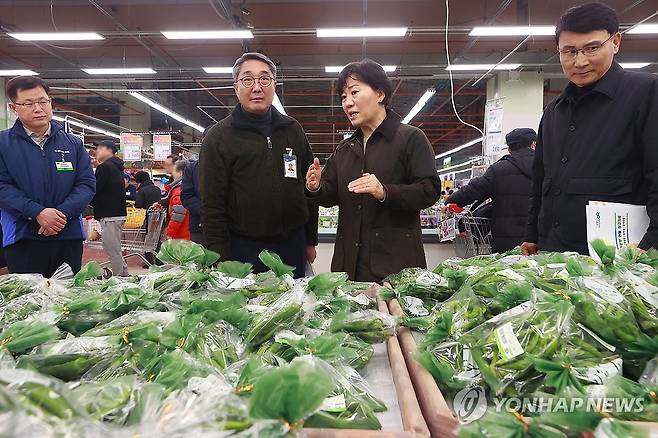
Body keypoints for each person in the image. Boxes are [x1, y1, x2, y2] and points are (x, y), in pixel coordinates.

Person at [522, 3, 658, 256]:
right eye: (569, 51)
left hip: (621, 261)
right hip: (556, 256)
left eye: (592, 48)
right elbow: (541, 181)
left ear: (615, 42)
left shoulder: (646, 94)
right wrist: (532, 235)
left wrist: (651, 244)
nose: (580, 61)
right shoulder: (554, 111)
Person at [306, 59, 442, 282]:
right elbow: (331, 196)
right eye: (343, 97)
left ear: (380, 94)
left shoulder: (410, 138)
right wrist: (316, 187)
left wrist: (385, 192)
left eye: (354, 92)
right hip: (348, 267)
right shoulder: (344, 148)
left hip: (395, 267)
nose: (347, 103)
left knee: (395, 317)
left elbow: (429, 190)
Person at [200, 52, 318, 278]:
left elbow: (308, 188)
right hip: (244, 250)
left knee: (296, 309)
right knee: (251, 311)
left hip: (292, 245)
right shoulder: (219, 137)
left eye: (264, 79)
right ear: (236, 87)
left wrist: (310, 239)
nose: (256, 87)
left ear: (274, 85)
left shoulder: (293, 129)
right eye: (247, 79)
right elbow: (211, 206)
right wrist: (220, 257)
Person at [0, 76, 95, 276]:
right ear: (13, 108)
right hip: (23, 236)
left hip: (67, 235)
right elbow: (2, 187)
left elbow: (86, 184)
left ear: (50, 102)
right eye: (28, 103)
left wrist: (61, 214)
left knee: (69, 301)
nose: (38, 108)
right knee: (28, 301)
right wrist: (37, 213)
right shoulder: (3, 144)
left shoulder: (73, 144)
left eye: (43, 101)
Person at [444, 128, 536, 253]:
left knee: (505, 273)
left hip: (505, 244)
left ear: (509, 149)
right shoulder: (548, 168)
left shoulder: (498, 170)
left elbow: (473, 190)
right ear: (533, 145)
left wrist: (449, 202)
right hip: (538, 240)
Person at [90, 140, 129, 277]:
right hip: (117, 213)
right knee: (115, 249)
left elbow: (94, 190)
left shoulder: (104, 167)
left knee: (112, 250)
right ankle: (124, 275)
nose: (97, 151)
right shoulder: (117, 167)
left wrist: (89, 202)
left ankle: (119, 280)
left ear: (109, 150)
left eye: (100, 148)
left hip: (109, 215)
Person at [165, 160, 190, 240]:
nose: (172, 173)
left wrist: (169, 233)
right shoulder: (189, 186)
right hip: (187, 232)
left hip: (181, 235)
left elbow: (178, 214)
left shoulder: (179, 190)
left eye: (174, 171)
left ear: (181, 172)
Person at [181, 159, 204, 245]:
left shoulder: (231, 164)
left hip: (232, 228)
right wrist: (205, 211)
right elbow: (186, 195)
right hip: (199, 227)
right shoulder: (193, 168)